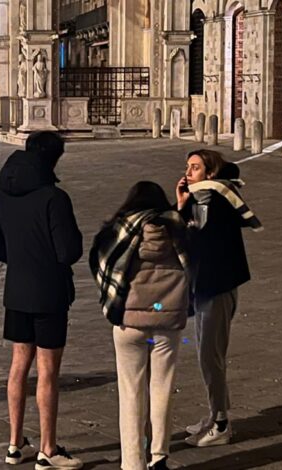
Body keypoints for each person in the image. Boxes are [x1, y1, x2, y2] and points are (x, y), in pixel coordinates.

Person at [0, 131, 84, 470]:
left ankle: (14, 445)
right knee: (48, 372)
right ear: (53, 158)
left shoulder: (1, 193)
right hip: (49, 292)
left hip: (16, 290)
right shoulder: (53, 198)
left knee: (17, 367)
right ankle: (48, 449)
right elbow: (68, 251)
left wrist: (20, 258)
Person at [89, 181, 190, 470]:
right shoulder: (178, 228)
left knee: (131, 392)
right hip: (167, 320)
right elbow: (197, 260)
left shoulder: (118, 230)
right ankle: (159, 456)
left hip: (129, 322)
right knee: (162, 389)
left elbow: (98, 261)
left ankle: (133, 462)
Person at [175, 149, 261, 448]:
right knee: (208, 354)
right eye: (187, 167)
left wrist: (185, 208)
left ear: (210, 173)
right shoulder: (203, 200)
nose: (188, 173)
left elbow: (198, 240)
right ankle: (214, 414)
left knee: (210, 355)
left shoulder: (219, 200)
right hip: (206, 286)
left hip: (216, 286)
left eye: (195, 168)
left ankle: (221, 422)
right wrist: (183, 204)